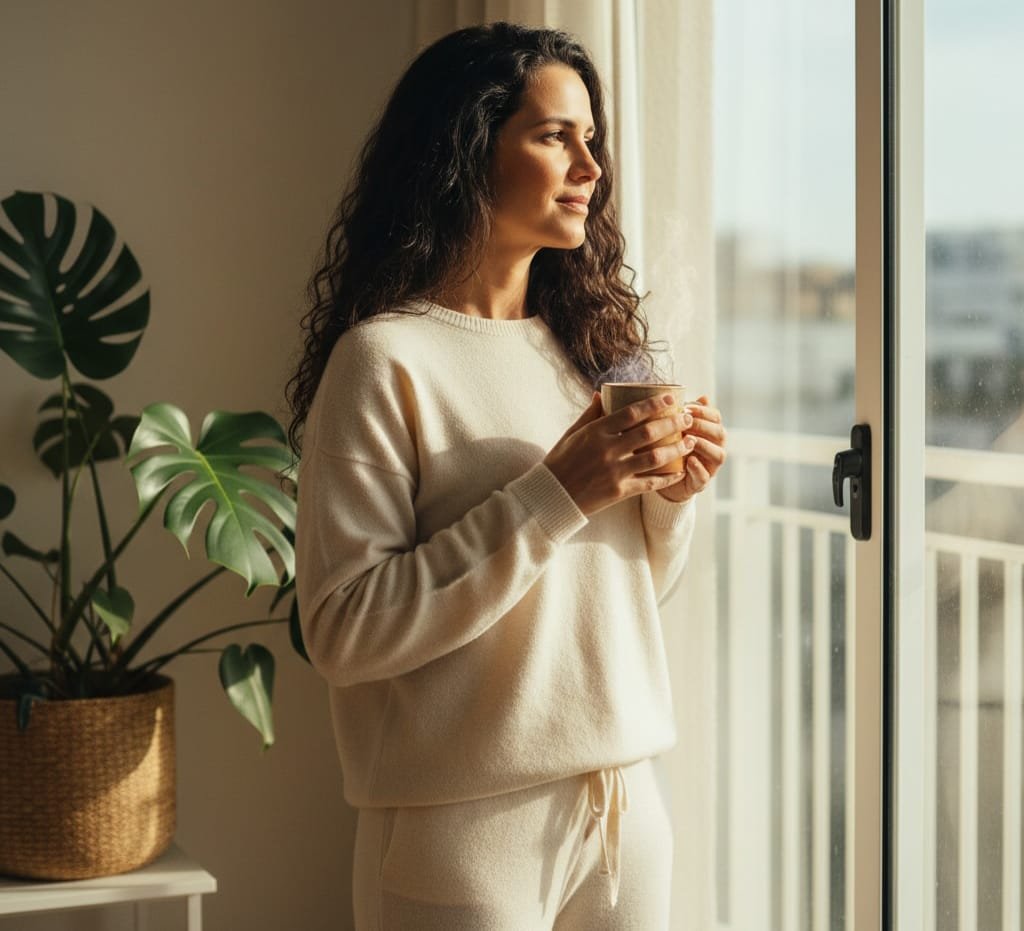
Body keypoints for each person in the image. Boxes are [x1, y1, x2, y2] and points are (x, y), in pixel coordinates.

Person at [288, 21, 727, 931]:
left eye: (591, 139)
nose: (590, 167)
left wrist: (671, 501)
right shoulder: (384, 361)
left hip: (624, 813)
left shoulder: (592, 355)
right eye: (555, 135)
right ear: (466, 150)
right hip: (462, 831)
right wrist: (558, 489)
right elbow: (343, 628)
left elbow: (621, 595)